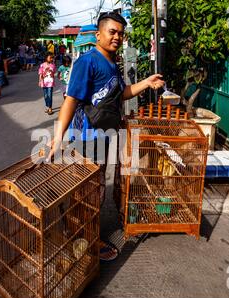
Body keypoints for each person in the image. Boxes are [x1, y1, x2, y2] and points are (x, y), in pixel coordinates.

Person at [48, 12, 165, 262]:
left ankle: (79, 233)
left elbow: (120, 93)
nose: (117, 37)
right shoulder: (87, 62)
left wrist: (146, 82)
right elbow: (71, 100)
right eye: (112, 32)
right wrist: (57, 138)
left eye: (121, 33)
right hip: (87, 137)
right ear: (99, 34)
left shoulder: (111, 63)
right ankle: (85, 239)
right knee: (89, 190)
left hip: (105, 136)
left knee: (95, 188)